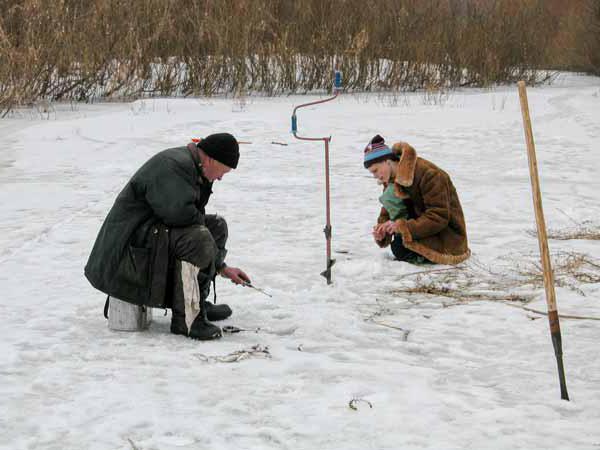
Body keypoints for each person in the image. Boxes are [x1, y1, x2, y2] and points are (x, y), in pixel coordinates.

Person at [85, 133, 250, 341]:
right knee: (198, 238)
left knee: (216, 227)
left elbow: (192, 218)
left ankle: (196, 302)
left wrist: (221, 267)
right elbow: (180, 216)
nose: (220, 178)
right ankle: (187, 319)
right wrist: (217, 263)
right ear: (210, 159)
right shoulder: (173, 166)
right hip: (128, 249)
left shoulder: (194, 167)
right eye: (223, 172)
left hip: (151, 234)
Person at [365, 135, 470, 265]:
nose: (375, 176)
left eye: (375, 170)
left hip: (447, 240)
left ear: (387, 161)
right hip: (421, 230)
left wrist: (401, 227)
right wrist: (383, 231)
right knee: (398, 246)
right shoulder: (390, 179)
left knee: (400, 247)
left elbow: (439, 217)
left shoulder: (429, 174)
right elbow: (388, 210)